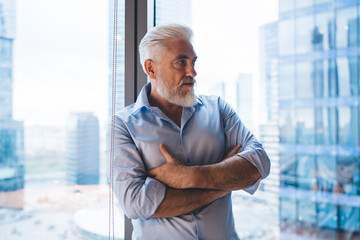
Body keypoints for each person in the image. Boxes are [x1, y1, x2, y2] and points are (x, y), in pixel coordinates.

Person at [113, 23, 270, 239]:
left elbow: (259, 164)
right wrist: (224, 184)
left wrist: (187, 177)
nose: (192, 72)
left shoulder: (218, 109)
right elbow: (135, 203)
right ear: (151, 68)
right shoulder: (122, 125)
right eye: (181, 62)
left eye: (193, 61)